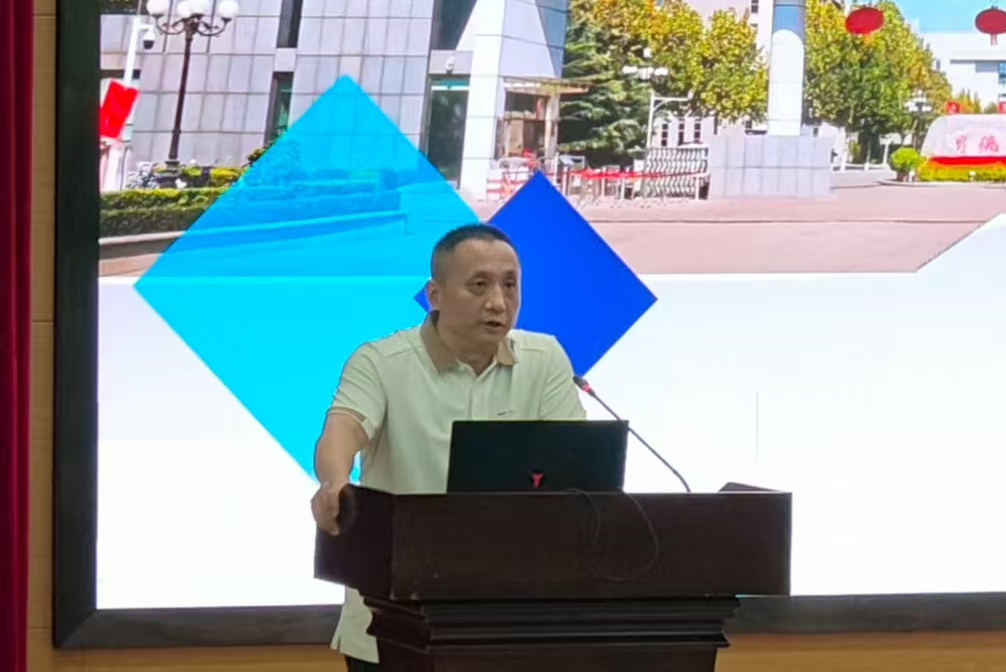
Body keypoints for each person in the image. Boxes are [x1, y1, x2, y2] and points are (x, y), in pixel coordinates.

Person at [311, 223, 586, 671]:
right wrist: (334, 482)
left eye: (509, 285)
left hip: (508, 624)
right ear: (435, 295)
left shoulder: (545, 359)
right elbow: (344, 428)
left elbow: (577, 464)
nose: (498, 302)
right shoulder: (381, 362)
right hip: (391, 623)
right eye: (478, 286)